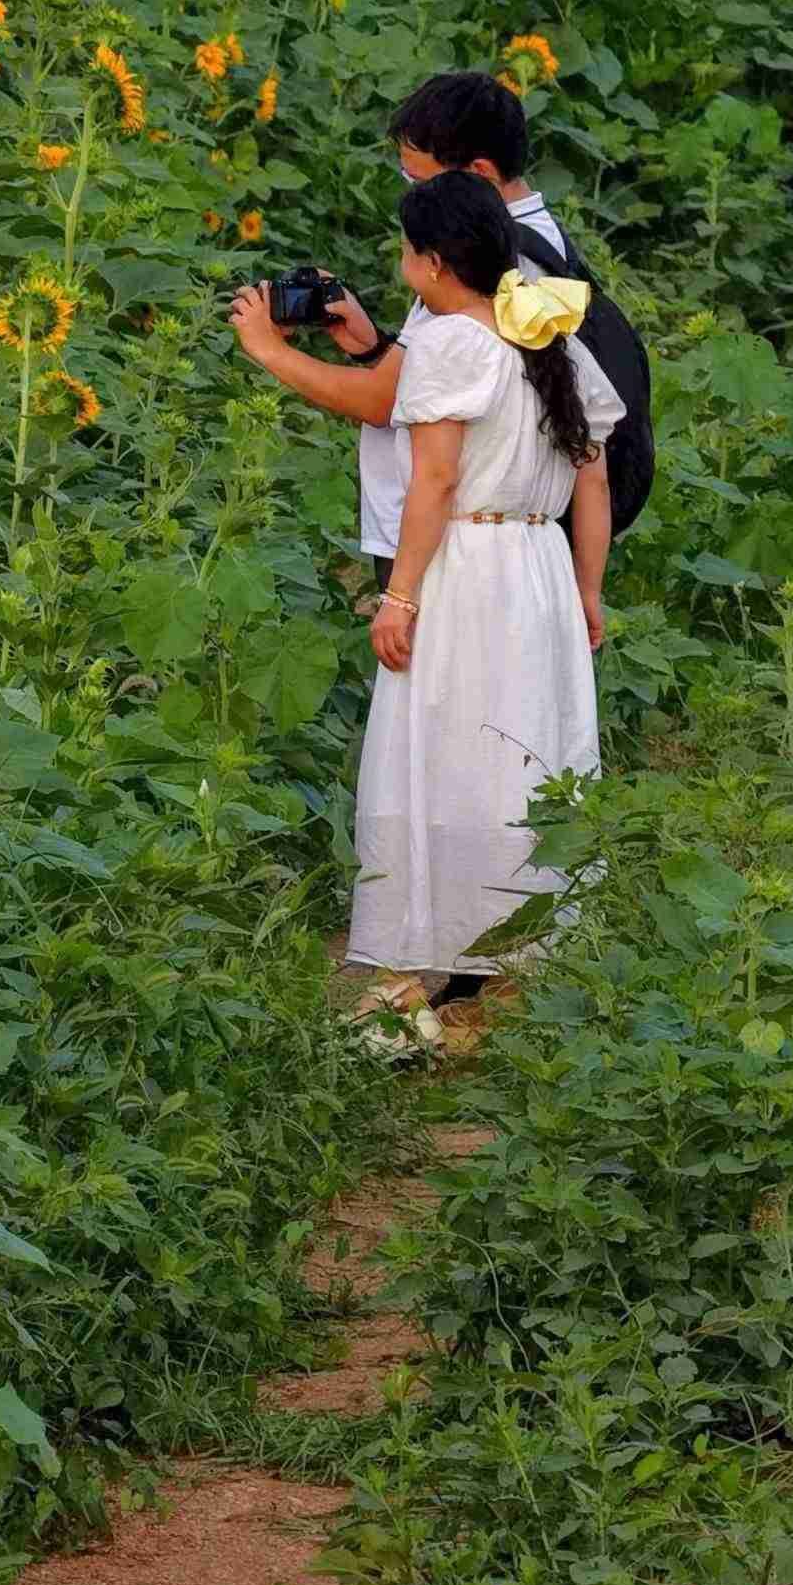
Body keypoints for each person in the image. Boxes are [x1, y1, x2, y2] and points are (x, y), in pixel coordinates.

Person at [300, 170, 618, 1004]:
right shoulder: (551, 339)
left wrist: (399, 595)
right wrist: (588, 591)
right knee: (526, 751)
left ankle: (422, 958)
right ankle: (522, 963)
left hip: (469, 567)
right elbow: (593, 482)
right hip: (539, 568)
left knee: (442, 748)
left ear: (434, 261)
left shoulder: (447, 343)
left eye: (408, 252)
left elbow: (434, 482)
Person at [391, 72, 655, 536]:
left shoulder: (488, 268)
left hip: (463, 535)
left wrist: (268, 347)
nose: (412, 195)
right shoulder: (545, 247)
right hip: (537, 540)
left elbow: (398, 411)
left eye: (418, 181)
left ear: (479, 174)